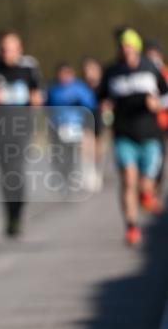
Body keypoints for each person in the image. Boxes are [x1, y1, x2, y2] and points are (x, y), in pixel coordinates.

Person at [99, 28, 168, 245]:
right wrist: (105, 106)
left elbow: (166, 96)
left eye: (129, 45)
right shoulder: (112, 72)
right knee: (128, 180)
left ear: (136, 47)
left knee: (146, 185)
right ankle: (131, 227)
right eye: (122, 46)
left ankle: (146, 195)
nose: (126, 49)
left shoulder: (151, 68)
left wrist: (158, 104)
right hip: (123, 133)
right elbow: (100, 98)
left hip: (150, 134)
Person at [0, 31, 43, 236]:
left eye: (12, 49)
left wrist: (37, 100)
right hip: (0, 128)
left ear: (20, 49)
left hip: (23, 127)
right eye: (4, 49)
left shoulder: (29, 67)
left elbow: (40, 93)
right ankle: (10, 213)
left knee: (17, 169)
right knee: (6, 173)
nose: (8, 53)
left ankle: (18, 212)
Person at [45, 62, 98, 194]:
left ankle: (80, 176)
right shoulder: (53, 89)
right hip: (58, 127)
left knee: (77, 153)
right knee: (61, 155)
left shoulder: (80, 88)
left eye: (66, 74)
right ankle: (64, 177)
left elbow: (91, 105)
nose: (63, 77)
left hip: (77, 126)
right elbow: (47, 107)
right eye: (61, 74)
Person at [144, 39, 168, 189]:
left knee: (159, 156)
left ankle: (155, 185)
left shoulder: (165, 72)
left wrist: (158, 104)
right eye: (149, 55)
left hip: (162, 121)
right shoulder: (142, 72)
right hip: (144, 123)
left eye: (154, 54)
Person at [81, 56, 106, 190]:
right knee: (86, 142)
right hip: (86, 115)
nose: (88, 72)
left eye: (91, 69)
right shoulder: (82, 87)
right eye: (86, 70)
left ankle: (98, 170)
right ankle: (88, 172)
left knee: (98, 144)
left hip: (100, 115)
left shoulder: (104, 85)